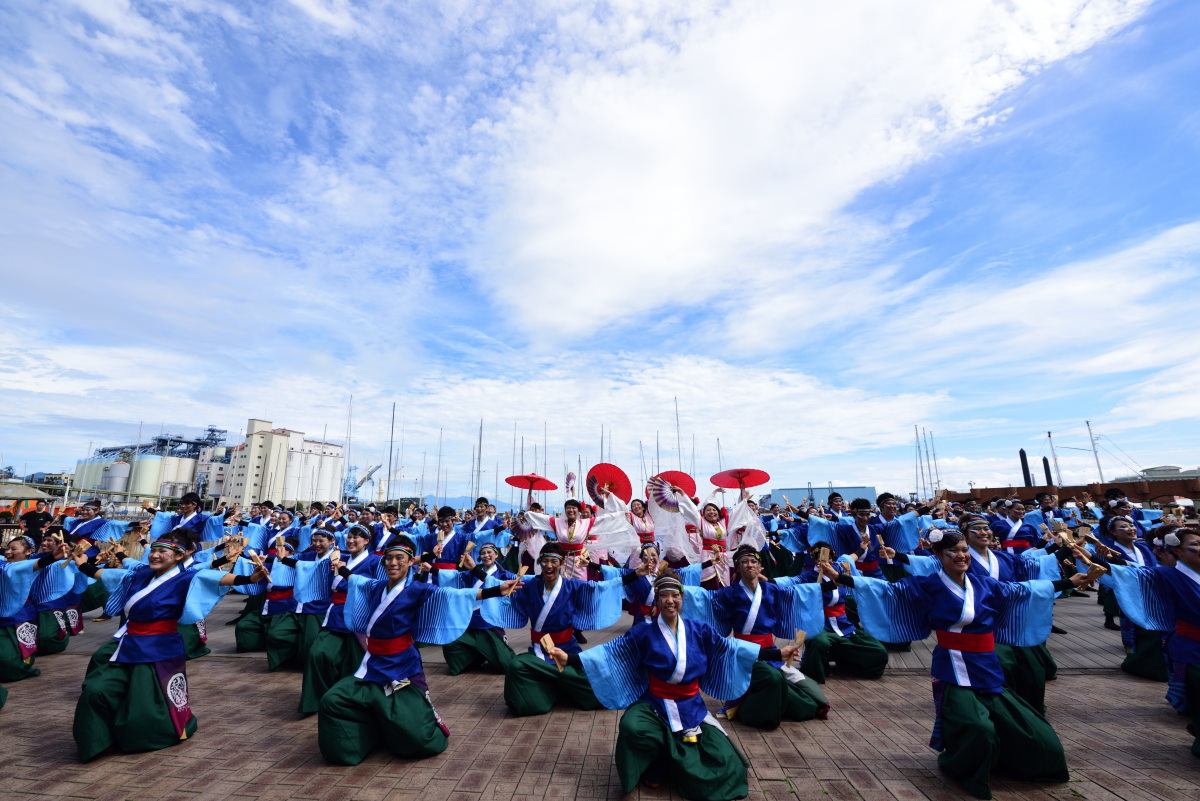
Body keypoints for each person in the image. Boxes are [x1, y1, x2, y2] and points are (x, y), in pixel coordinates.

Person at [827, 530, 1088, 799]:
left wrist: (1068, 581)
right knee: (979, 729)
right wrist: (843, 578)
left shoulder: (984, 584)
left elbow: (1021, 590)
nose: (962, 555)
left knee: (1040, 739)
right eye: (954, 551)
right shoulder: (928, 585)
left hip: (988, 667)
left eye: (964, 550)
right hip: (953, 666)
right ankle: (961, 766)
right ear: (939, 555)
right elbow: (887, 590)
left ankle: (1009, 759)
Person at [550, 569, 797, 800]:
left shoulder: (700, 630)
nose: (670, 601)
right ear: (657, 599)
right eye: (664, 595)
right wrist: (570, 659)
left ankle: (666, 763)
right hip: (654, 702)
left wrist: (777, 654)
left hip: (691, 705)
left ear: (682, 598)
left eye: (675, 595)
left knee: (726, 762)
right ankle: (655, 761)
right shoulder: (643, 632)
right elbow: (610, 654)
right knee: (631, 727)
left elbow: (731, 648)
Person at [316, 536, 515, 765]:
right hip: (371, 665)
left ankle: (403, 727)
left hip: (402, 669)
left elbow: (451, 595)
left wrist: (496, 591)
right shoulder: (376, 587)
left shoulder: (417, 590)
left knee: (417, 737)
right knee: (332, 702)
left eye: (399, 558)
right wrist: (341, 569)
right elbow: (355, 580)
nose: (393, 563)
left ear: (410, 562)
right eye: (389, 558)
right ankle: (360, 740)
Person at [70, 532, 265, 761]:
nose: (155, 555)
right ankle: (97, 740)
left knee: (144, 704)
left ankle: (149, 732)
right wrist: (82, 564)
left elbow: (219, 579)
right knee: (96, 689)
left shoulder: (187, 578)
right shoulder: (140, 573)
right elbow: (105, 574)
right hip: (128, 643)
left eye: (163, 551)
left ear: (179, 556)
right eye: (153, 550)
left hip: (160, 648)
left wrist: (251, 579)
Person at [1086, 527, 1200, 756]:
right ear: (1176, 550)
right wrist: (1092, 557)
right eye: (1195, 544)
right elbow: (1130, 575)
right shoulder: (1166, 575)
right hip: (1192, 647)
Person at [479, 541, 626, 716]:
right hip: (539, 650)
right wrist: (474, 569)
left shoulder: (573, 586)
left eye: (554, 561)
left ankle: (559, 685)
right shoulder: (529, 584)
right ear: (540, 562)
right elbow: (498, 581)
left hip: (567, 650)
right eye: (545, 561)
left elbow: (604, 588)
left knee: (594, 684)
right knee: (516, 666)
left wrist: (635, 575)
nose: (549, 565)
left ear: (562, 563)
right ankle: (550, 691)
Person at [702, 545, 826, 728]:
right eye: (743, 562)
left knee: (812, 699)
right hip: (743, 654)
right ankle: (750, 712)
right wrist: (675, 589)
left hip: (772, 652)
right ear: (737, 567)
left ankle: (767, 703)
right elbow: (701, 598)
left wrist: (836, 580)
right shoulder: (729, 593)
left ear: (761, 567)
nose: (749, 565)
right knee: (774, 680)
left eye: (753, 561)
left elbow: (801, 595)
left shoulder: (771, 590)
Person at [298, 525, 380, 715]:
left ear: (367, 541)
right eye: (349, 537)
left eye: (356, 537)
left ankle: (354, 701)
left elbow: (377, 587)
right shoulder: (338, 559)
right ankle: (315, 700)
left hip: (360, 615)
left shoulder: (375, 561)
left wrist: (347, 573)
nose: (351, 540)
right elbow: (311, 570)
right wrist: (279, 559)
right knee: (317, 653)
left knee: (355, 661)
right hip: (335, 615)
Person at [441, 542, 518, 675]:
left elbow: (513, 584)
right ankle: (475, 658)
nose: (486, 556)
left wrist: (474, 569)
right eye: (483, 553)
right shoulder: (472, 572)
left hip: (489, 623)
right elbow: (455, 577)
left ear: (496, 555)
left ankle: (487, 653)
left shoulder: (505, 575)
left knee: (505, 664)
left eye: (489, 552)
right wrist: (431, 569)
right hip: (469, 620)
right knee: (450, 642)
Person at [1, 535, 66, 682]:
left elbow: (39, 562)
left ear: (28, 551)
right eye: (8, 548)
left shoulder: (25, 565)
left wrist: (53, 558)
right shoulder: (5, 564)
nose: (8, 552)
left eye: (14, 549)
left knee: (8, 661)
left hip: (20, 614)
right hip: (7, 612)